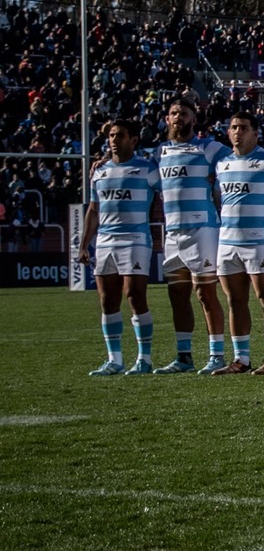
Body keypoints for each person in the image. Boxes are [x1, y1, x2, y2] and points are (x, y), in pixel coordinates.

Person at [79, 119, 161, 376]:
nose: (114, 139)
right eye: (111, 135)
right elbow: (93, 210)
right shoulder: (99, 171)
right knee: (107, 300)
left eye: (120, 135)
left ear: (133, 139)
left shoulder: (148, 169)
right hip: (105, 241)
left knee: (135, 295)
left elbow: (168, 196)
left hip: (135, 239)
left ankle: (144, 359)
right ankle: (114, 360)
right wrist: (84, 244)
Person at [154, 95, 229, 373]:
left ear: (194, 120)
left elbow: (240, 157)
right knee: (177, 295)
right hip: (172, 231)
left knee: (205, 293)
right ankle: (184, 357)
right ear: (167, 119)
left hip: (203, 230)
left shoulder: (210, 149)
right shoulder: (159, 153)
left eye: (184, 113)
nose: (179, 118)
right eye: (174, 113)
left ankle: (217, 355)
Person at [213, 111, 264, 375]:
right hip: (227, 242)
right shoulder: (222, 164)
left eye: (244, 128)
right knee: (235, 301)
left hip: (260, 242)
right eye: (233, 127)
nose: (237, 132)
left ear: (256, 133)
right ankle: (241, 359)